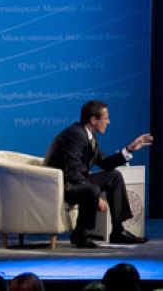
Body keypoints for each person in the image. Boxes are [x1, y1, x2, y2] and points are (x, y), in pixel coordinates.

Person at [44, 99, 153, 248]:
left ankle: (118, 231)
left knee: (114, 176)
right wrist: (97, 199)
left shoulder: (89, 136)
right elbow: (72, 172)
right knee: (92, 189)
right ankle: (80, 234)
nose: (108, 122)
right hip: (62, 184)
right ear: (94, 120)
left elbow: (105, 163)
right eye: (106, 118)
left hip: (75, 181)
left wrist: (129, 149)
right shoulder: (75, 135)